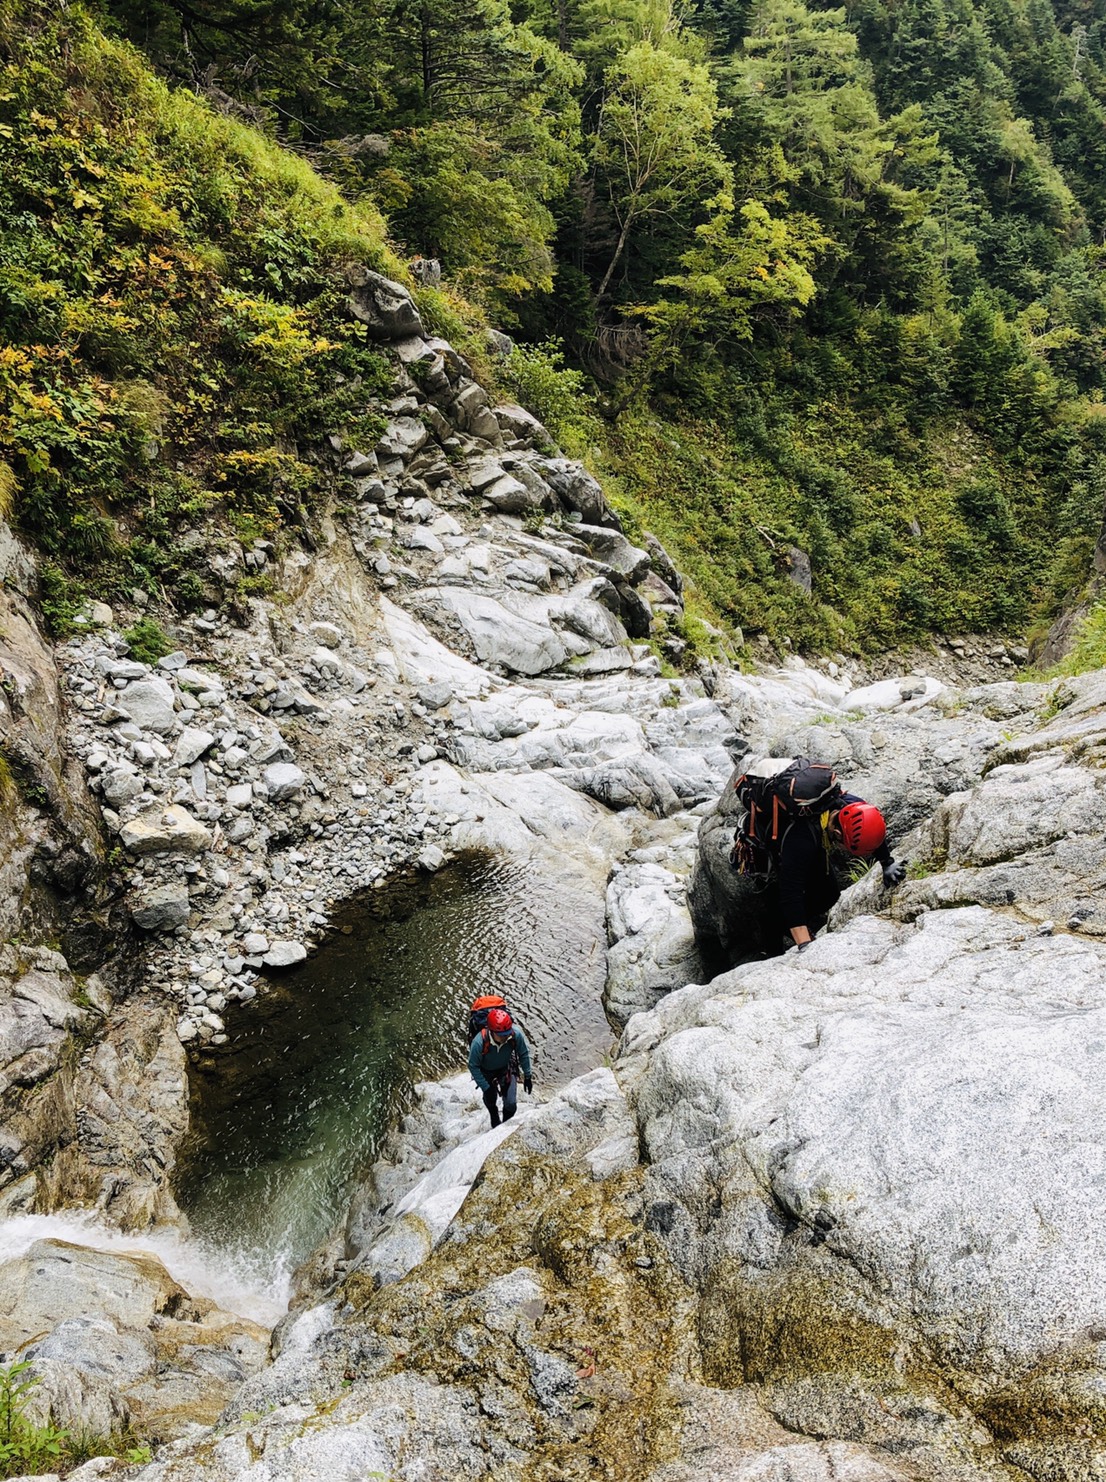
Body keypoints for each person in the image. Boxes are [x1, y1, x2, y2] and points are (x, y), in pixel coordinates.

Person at [779, 797, 905, 951]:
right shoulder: (802, 840)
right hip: (773, 855)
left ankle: (796, 921)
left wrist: (887, 862)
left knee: (829, 894)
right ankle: (780, 932)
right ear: (838, 834)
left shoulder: (851, 806)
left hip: (814, 839)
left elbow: (871, 826)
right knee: (777, 908)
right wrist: (804, 944)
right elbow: (791, 891)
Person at [469, 1007, 533, 1128]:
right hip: (486, 1072)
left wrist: (528, 1076)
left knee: (511, 1104)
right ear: (492, 1031)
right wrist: (485, 1087)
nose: (505, 1037)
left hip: (507, 1068)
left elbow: (523, 1054)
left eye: (507, 1033)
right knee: (490, 1098)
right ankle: (493, 1113)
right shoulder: (479, 1043)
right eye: (501, 1035)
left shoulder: (515, 1035)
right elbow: (473, 1066)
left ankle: (504, 1126)